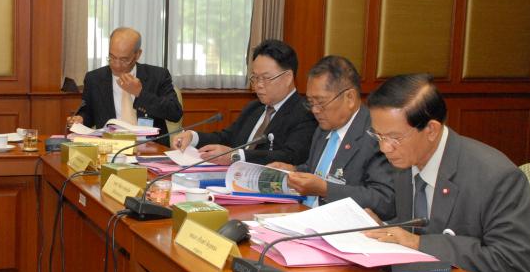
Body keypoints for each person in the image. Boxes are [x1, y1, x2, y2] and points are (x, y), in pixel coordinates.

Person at [363, 74, 530, 272]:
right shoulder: (405, 161)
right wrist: (383, 228)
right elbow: (420, 225)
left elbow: (512, 261)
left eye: (394, 138)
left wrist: (418, 243)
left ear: (431, 130)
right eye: (378, 136)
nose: (384, 148)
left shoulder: (496, 176)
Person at [267, 56, 395, 218]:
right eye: (311, 102)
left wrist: (326, 189)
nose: (315, 110)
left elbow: (384, 200)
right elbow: (317, 170)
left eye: (321, 102)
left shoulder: (375, 134)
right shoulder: (323, 128)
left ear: (350, 98)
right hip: (303, 215)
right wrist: (293, 171)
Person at [172, 39, 316, 165]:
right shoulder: (254, 108)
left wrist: (236, 156)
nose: (258, 85)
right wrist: (193, 137)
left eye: (266, 78)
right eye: (255, 78)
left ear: (288, 77)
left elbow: (290, 156)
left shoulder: (305, 113)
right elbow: (227, 138)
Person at [66, 27, 182, 139]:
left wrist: (140, 93)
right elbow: (88, 112)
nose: (116, 65)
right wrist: (81, 119)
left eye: (124, 60)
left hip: (150, 146)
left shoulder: (157, 76)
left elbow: (175, 113)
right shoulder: (94, 79)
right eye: (112, 57)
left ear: (137, 55)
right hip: (110, 145)